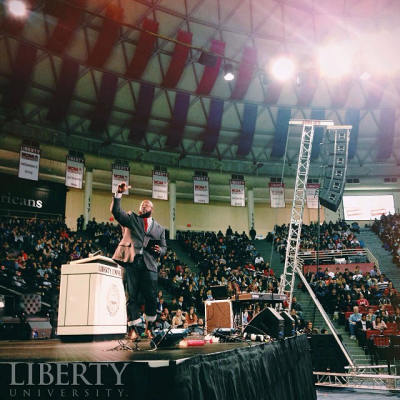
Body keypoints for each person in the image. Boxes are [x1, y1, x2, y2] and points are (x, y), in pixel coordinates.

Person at [111, 181, 167, 340]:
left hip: (149, 264)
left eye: (147, 205)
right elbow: (116, 212)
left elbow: (164, 248)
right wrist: (118, 194)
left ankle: (150, 326)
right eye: (142, 205)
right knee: (131, 296)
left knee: (151, 297)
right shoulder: (131, 218)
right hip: (131, 261)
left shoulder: (159, 229)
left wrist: (159, 250)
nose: (143, 207)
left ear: (152, 209)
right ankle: (135, 327)